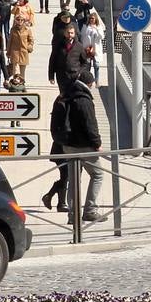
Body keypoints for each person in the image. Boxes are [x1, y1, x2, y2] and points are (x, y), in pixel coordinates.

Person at [52, 69, 106, 223]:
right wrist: (97, 143)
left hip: (67, 145)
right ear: (89, 84)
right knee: (98, 175)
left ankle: (73, 216)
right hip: (84, 146)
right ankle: (90, 210)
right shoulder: (84, 100)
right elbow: (90, 125)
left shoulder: (65, 95)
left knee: (74, 180)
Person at [48, 22, 89, 87]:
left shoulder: (79, 46)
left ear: (74, 34)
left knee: (74, 92)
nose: (70, 35)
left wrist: (80, 72)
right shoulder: (58, 45)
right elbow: (52, 60)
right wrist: (51, 76)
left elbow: (85, 63)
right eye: (68, 33)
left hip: (75, 76)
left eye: (72, 33)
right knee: (63, 93)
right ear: (65, 33)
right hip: (61, 76)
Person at [6, 14, 34, 85]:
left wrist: (29, 46)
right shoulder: (13, 29)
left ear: (24, 21)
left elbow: (31, 40)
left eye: (22, 20)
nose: (20, 21)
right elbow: (10, 42)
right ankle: (14, 85)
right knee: (15, 71)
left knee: (22, 72)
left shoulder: (27, 29)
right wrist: (8, 52)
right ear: (15, 20)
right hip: (15, 53)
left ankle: (21, 85)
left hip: (24, 52)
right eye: (18, 20)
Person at [79, 12, 104, 85]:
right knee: (87, 66)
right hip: (87, 49)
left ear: (96, 19)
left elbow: (102, 37)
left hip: (96, 49)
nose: (91, 20)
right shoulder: (85, 26)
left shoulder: (99, 27)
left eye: (92, 18)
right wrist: (84, 47)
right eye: (90, 18)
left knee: (96, 65)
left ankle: (97, 81)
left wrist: (96, 29)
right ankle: (88, 81)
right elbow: (82, 36)